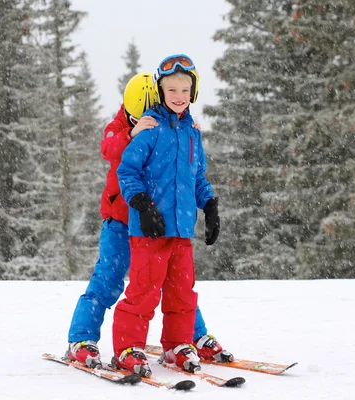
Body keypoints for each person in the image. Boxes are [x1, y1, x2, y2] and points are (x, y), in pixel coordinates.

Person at [66, 71, 232, 369]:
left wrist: (183, 127)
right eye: (138, 116)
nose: (147, 121)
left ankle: (195, 335)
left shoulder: (163, 125)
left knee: (175, 282)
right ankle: (81, 338)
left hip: (158, 225)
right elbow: (110, 149)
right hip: (121, 221)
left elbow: (187, 164)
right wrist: (131, 132)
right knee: (109, 280)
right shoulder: (121, 127)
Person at [112, 55, 222, 377]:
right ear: (161, 90)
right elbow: (127, 171)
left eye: (185, 89)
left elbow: (198, 177)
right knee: (144, 292)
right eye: (171, 88)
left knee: (182, 293)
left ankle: (176, 345)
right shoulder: (150, 127)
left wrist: (210, 206)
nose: (178, 95)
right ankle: (128, 348)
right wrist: (143, 206)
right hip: (150, 230)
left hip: (182, 231)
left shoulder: (192, 133)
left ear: (193, 92)